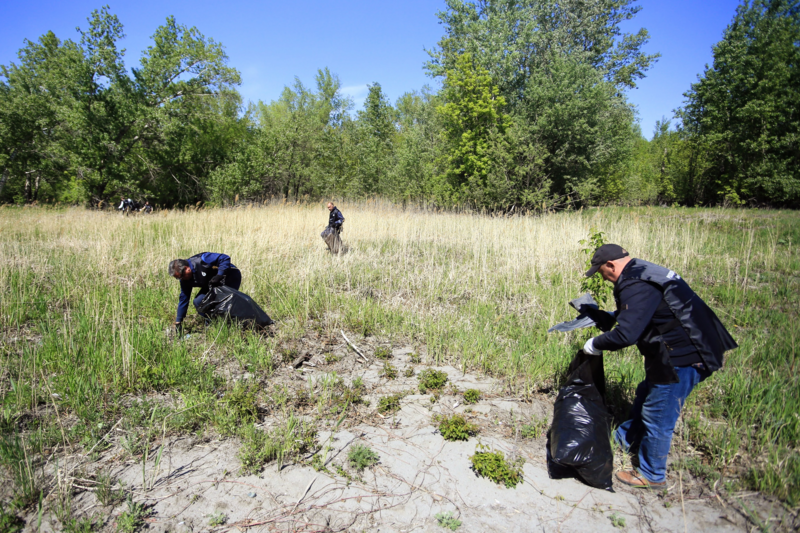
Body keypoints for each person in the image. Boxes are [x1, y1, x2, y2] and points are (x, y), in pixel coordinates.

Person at [581, 244, 737, 488]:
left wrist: (595, 344)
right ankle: (624, 440)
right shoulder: (642, 270)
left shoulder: (634, 283)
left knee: (658, 414)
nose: (604, 279)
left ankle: (652, 475)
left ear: (611, 265)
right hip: (683, 348)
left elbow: (626, 335)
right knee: (646, 394)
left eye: (602, 273)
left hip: (685, 355)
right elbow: (652, 308)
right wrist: (613, 316)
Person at [169, 252, 241, 333]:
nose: (181, 279)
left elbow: (225, 258)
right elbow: (184, 298)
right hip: (213, 283)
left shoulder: (203, 259)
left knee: (226, 303)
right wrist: (178, 321)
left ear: (186, 269)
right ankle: (213, 322)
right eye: (178, 278)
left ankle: (232, 323)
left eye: (181, 276)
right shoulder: (184, 279)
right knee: (199, 301)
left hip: (230, 277)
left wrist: (219, 275)